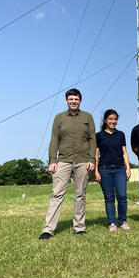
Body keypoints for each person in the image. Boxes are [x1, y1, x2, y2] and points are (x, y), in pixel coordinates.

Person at [39, 88, 96, 239]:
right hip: (63, 160)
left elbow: (92, 139)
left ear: (80, 101)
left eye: (76, 99)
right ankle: (48, 229)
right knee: (56, 194)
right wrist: (52, 160)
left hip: (83, 161)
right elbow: (54, 140)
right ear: (66, 101)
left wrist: (92, 159)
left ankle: (79, 227)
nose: (73, 101)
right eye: (71, 99)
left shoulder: (87, 117)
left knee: (80, 195)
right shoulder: (59, 118)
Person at [94, 109, 131, 232]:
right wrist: (96, 171)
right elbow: (96, 154)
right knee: (109, 197)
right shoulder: (98, 136)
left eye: (115, 119)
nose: (113, 121)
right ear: (105, 120)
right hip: (104, 169)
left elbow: (125, 153)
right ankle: (112, 223)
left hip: (120, 168)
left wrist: (128, 169)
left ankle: (123, 221)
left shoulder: (121, 134)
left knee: (122, 196)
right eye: (110, 119)